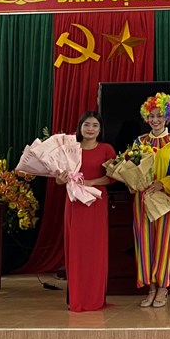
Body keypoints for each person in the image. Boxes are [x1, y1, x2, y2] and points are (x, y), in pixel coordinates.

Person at [55, 111, 116, 312]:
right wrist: (61, 178)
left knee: (95, 249)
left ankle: (94, 298)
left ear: (100, 129)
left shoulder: (106, 149)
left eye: (95, 125)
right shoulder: (70, 149)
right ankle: (77, 297)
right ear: (80, 127)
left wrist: (91, 182)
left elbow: (113, 177)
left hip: (95, 202)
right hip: (74, 203)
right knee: (76, 249)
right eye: (87, 125)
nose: (90, 129)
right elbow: (58, 179)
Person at [133, 92, 170, 308]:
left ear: (168, 117)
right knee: (145, 244)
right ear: (146, 118)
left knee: (165, 243)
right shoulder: (139, 141)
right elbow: (131, 168)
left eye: (159, 116)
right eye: (151, 116)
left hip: (167, 201)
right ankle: (151, 287)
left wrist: (164, 184)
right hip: (143, 201)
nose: (155, 120)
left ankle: (163, 287)